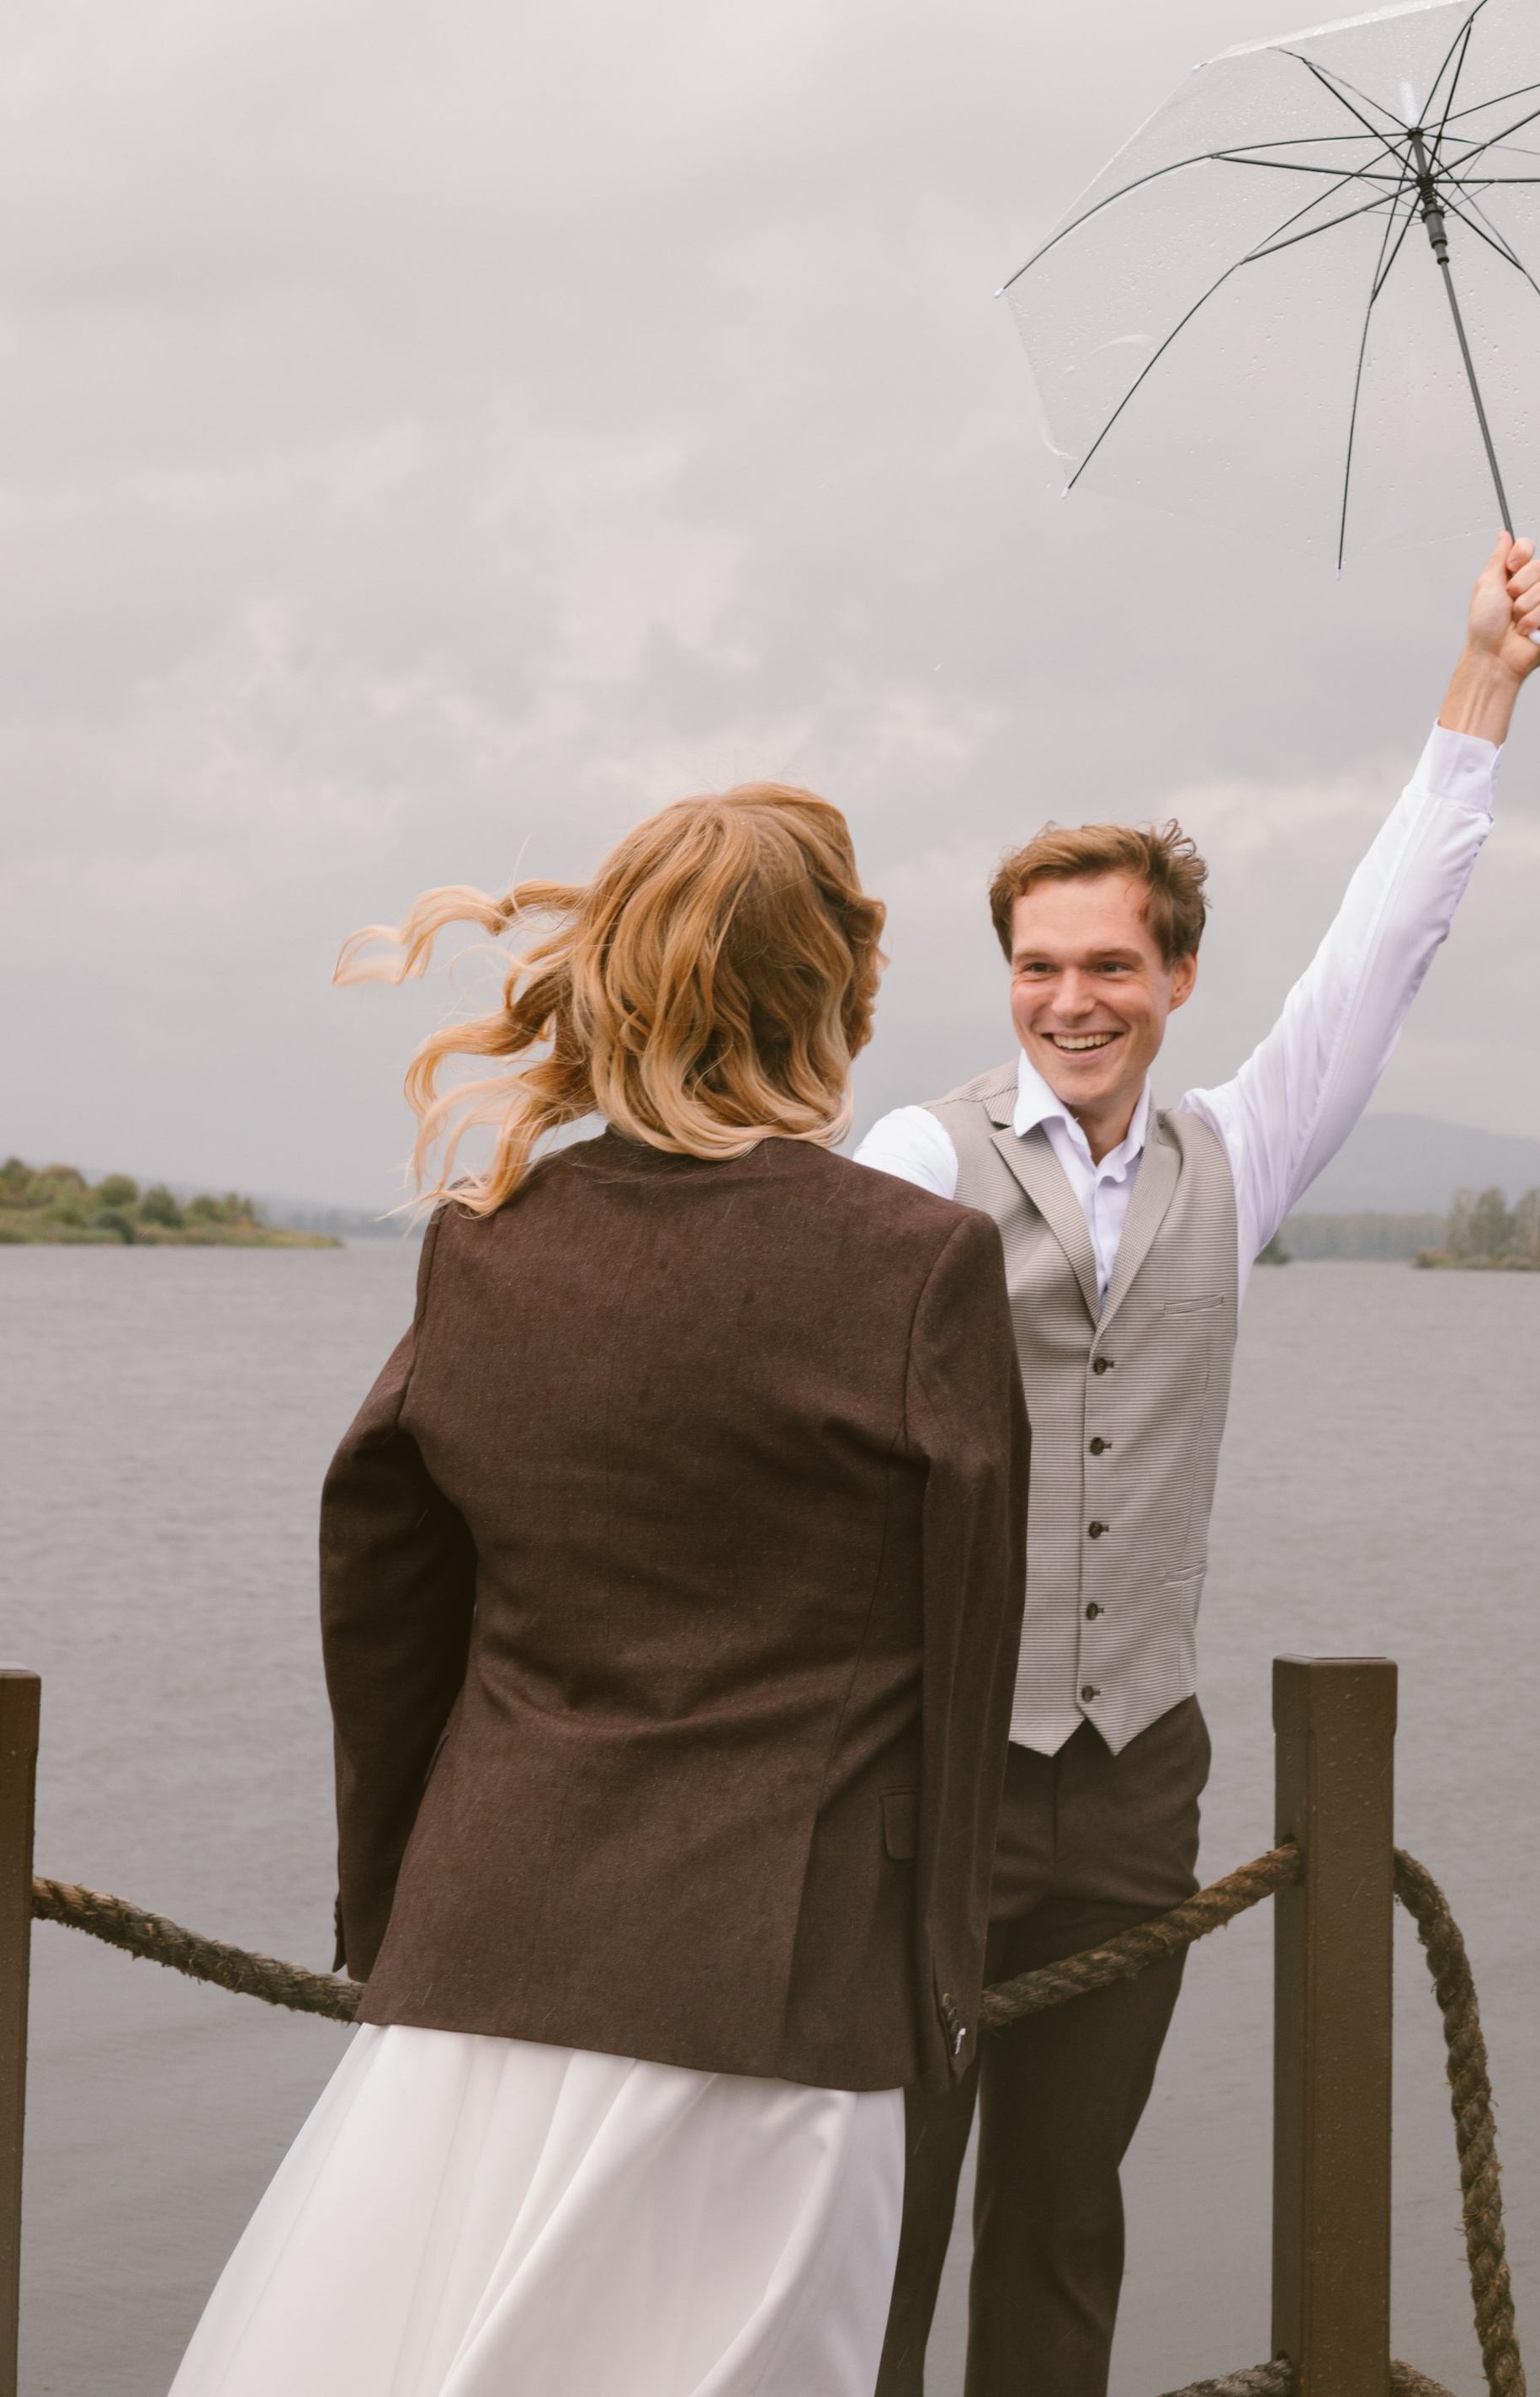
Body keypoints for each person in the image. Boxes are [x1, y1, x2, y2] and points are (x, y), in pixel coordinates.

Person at [170, 783, 1029, 2397]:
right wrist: (942, 1982)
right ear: (841, 997)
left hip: (483, 1957)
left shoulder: (484, 1246)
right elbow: (968, 1652)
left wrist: (397, 1913)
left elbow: (383, 1601)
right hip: (783, 1993)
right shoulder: (923, 1267)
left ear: (624, 979)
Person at [856, 532, 1540, 2397]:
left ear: (1173, 978)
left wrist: (1478, 678)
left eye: (1103, 965)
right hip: (930, 1769)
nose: (1065, 999)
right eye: (1032, 966)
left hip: (1131, 1777)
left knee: (1063, 2211)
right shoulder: (914, 1169)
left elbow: (1383, 943)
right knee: (879, 2211)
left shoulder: (1234, 1158)